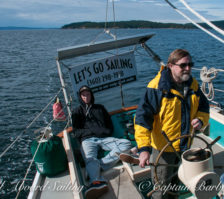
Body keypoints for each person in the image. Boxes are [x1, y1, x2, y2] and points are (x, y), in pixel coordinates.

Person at [134, 49, 210, 198]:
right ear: (170, 66)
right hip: (163, 151)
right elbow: (142, 119)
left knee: (176, 185)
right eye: (183, 65)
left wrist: (200, 120)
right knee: (161, 190)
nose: (188, 68)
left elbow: (204, 108)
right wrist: (143, 149)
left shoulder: (193, 85)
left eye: (190, 64)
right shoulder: (156, 88)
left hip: (185, 146)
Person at [72, 85, 132, 199]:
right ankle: (96, 182)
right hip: (87, 140)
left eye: (88, 94)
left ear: (91, 95)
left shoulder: (100, 108)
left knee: (126, 143)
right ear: (80, 97)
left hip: (103, 138)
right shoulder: (77, 112)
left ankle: (100, 164)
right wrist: (91, 131)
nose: (86, 97)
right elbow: (76, 132)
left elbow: (109, 126)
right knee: (90, 158)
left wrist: (103, 132)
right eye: (83, 95)